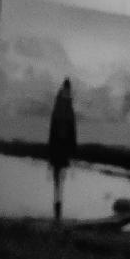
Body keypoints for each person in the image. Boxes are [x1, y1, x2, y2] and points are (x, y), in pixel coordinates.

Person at [48, 76, 77, 222]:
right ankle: (58, 208)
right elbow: (72, 132)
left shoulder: (59, 105)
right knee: (59, 180)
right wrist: (73, 150)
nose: (68, 92)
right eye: (68, 89)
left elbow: (53, 131)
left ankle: (57, 207)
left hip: (59, 148)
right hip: (61, 148)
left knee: (58, 179)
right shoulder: (67, 106)